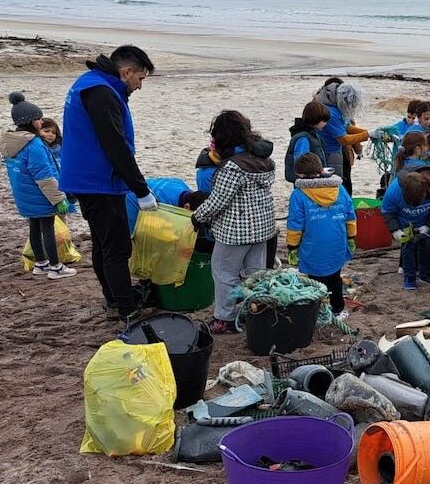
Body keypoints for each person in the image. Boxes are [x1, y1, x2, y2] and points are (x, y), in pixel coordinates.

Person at [59, 45, 156, 322]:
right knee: (116, 247)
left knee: (103, 244)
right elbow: (115, 146)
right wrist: (141, 190)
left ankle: (114, 297)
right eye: (140, 79)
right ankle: (125, 308)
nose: (139, 86)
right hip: (98, 181)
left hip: (86, 178)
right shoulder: (101, 92)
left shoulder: (90, 83)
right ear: (126, 72)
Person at [189, 111, 276, 335]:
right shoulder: (263, 161)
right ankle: (254, 311)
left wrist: (197, 217)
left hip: (234, 233)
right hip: (262, 229)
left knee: (223, 273)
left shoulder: (232, 167)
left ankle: (224, 319)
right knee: (255, 274)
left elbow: (218, 201)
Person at [0, 92, 76, 280]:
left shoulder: (10, 142)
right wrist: (59, 199)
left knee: (34, 227)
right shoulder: (34, 144)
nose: (41, 122)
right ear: (30, 121)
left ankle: (40, 264)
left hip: (23, 194)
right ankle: (56, 267)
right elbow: (43, 176)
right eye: (38, 119)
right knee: (47, 229)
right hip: (40, 194)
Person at [286, 153, 356, 320]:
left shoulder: (298, 195)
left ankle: (318, 311)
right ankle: (338, 310)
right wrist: (352, 237)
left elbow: (295, 224)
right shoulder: (339, 189)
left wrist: (292, 247)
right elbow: (350, 215)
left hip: (313, 247)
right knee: (335, 278)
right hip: (337, 243)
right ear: (320, 169)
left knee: (315, 281)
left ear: (300, 175)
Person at [382, 163, 430, 290]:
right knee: (408, 249)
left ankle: (425, 273)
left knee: (426, 247)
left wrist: (428, 226)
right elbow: (387, 211)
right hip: (405, 225)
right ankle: (409, 277)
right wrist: (395, 230)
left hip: (424, 222)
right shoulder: (393, 192)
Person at [123, 177, 193, 235]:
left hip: (139, 186)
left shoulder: (182, 185)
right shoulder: (167, 205)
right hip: (131, 200)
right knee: (134, 236)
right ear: (187, 207)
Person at [285, 100, 329, 183]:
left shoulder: (312, 135)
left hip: (313, 179)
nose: (325, 124)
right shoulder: (303, 138)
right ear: (316, 119)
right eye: (324, 121)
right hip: (307, 182)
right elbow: (301, 162)